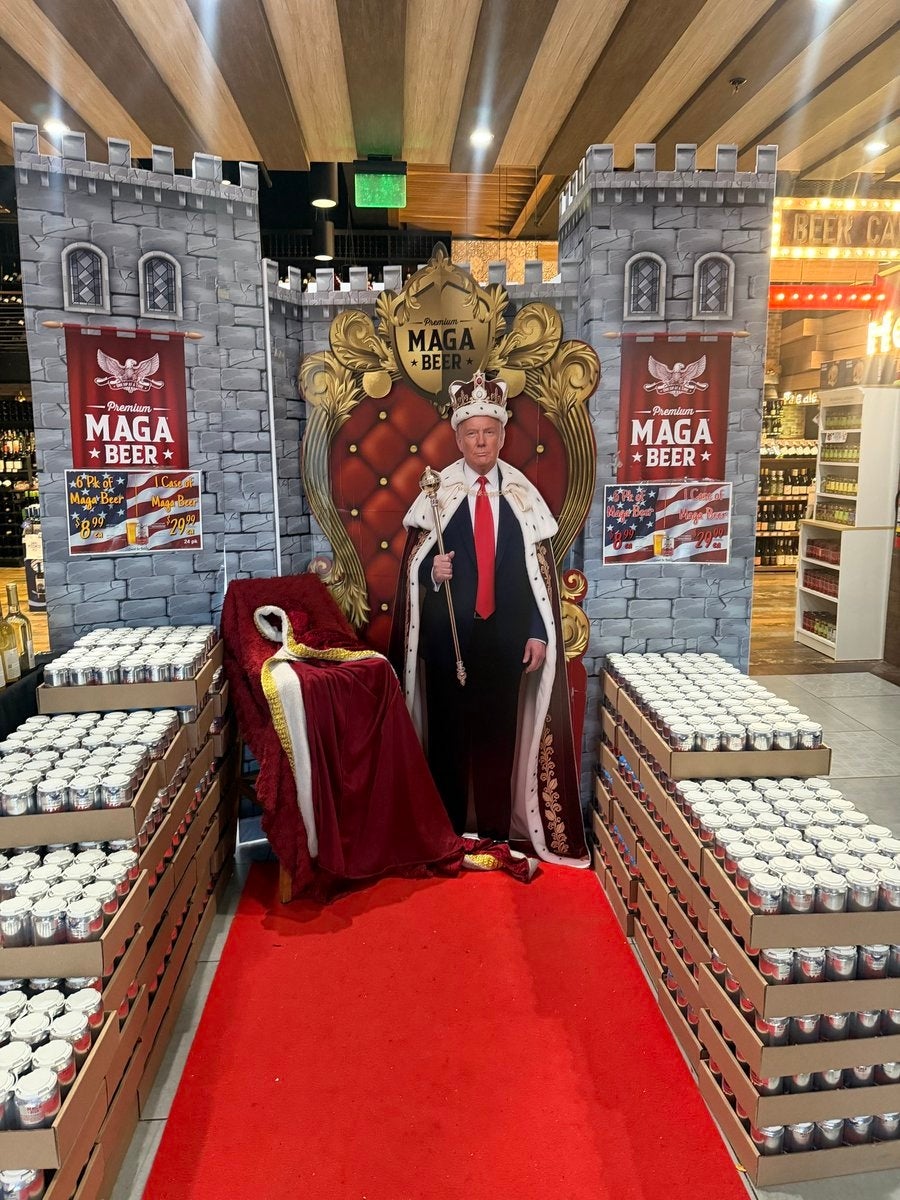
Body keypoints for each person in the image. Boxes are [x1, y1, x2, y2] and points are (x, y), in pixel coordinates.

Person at [389, 371, 588, 867]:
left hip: (506, 638)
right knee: (449, 739)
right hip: (448, 641)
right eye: (471, 434)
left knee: (499, 737)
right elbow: (412, 568)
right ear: (458, 439)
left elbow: (540, 576)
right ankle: (449, 833)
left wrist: (539, 633)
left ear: (502, 436)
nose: (481, 442)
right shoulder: (437, 492)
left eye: (489, 433)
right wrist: (431, 573)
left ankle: (498, 835)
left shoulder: (522, 495)